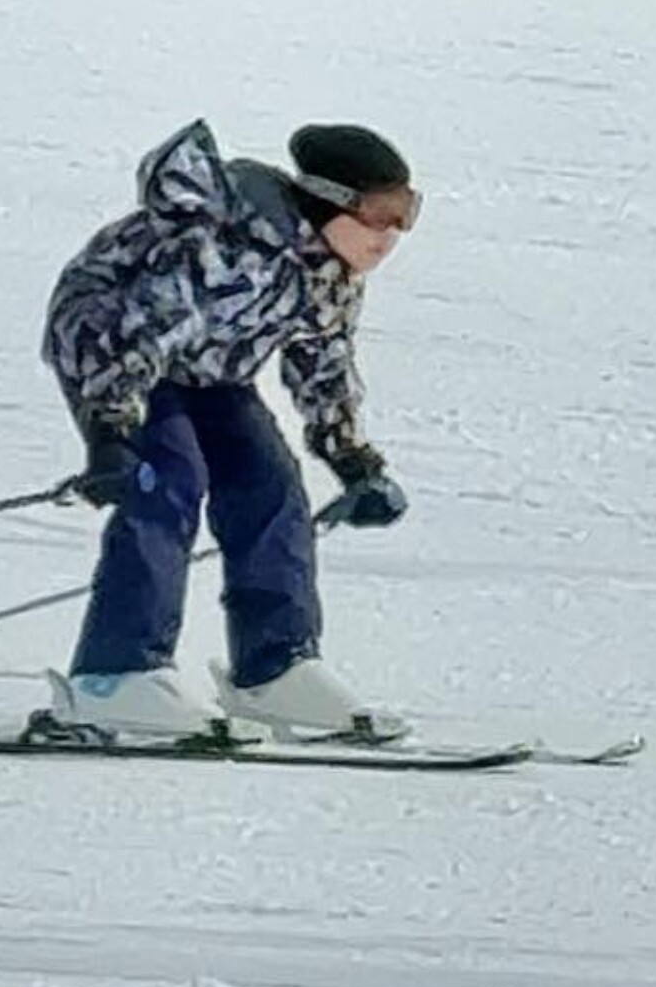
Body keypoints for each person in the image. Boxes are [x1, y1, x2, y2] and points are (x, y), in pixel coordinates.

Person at [38, 119, 419, 741]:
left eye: (407, 213)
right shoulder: (226, 243)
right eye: (380, 213)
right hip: (112, 348)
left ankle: (276, 669)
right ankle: (113, 676)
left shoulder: (332, 272)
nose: (393, 234)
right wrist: (110, 432)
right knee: (169, 480)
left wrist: (355, 462)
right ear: (331, 201)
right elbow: (141, 328)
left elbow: (324, 365)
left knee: (271, 487)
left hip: (214, 372)